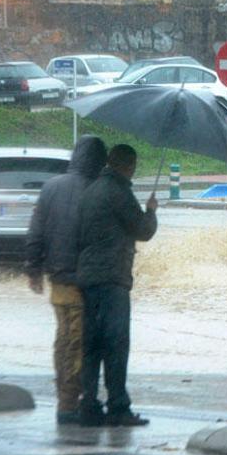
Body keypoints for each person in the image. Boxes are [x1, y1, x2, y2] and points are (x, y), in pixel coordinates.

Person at [25, 135, 108, 425]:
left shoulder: (51, 187)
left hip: (57, 279)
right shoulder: (98, 190)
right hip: (84, 282)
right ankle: (70, 404)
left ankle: (68, 397)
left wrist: (33, 269)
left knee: (63, 341)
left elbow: (35, 232)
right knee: (78, 345)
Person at [76, 144, 158, 427]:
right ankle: (118, 407)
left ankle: (87, 403)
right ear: (129, 165)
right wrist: (151, 211)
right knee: (116, 344)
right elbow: (143, 231)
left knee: (91, 345)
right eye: (133, 166)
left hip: (87, 279)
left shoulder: (92, 190)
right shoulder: (119, 192)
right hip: (112, 280)